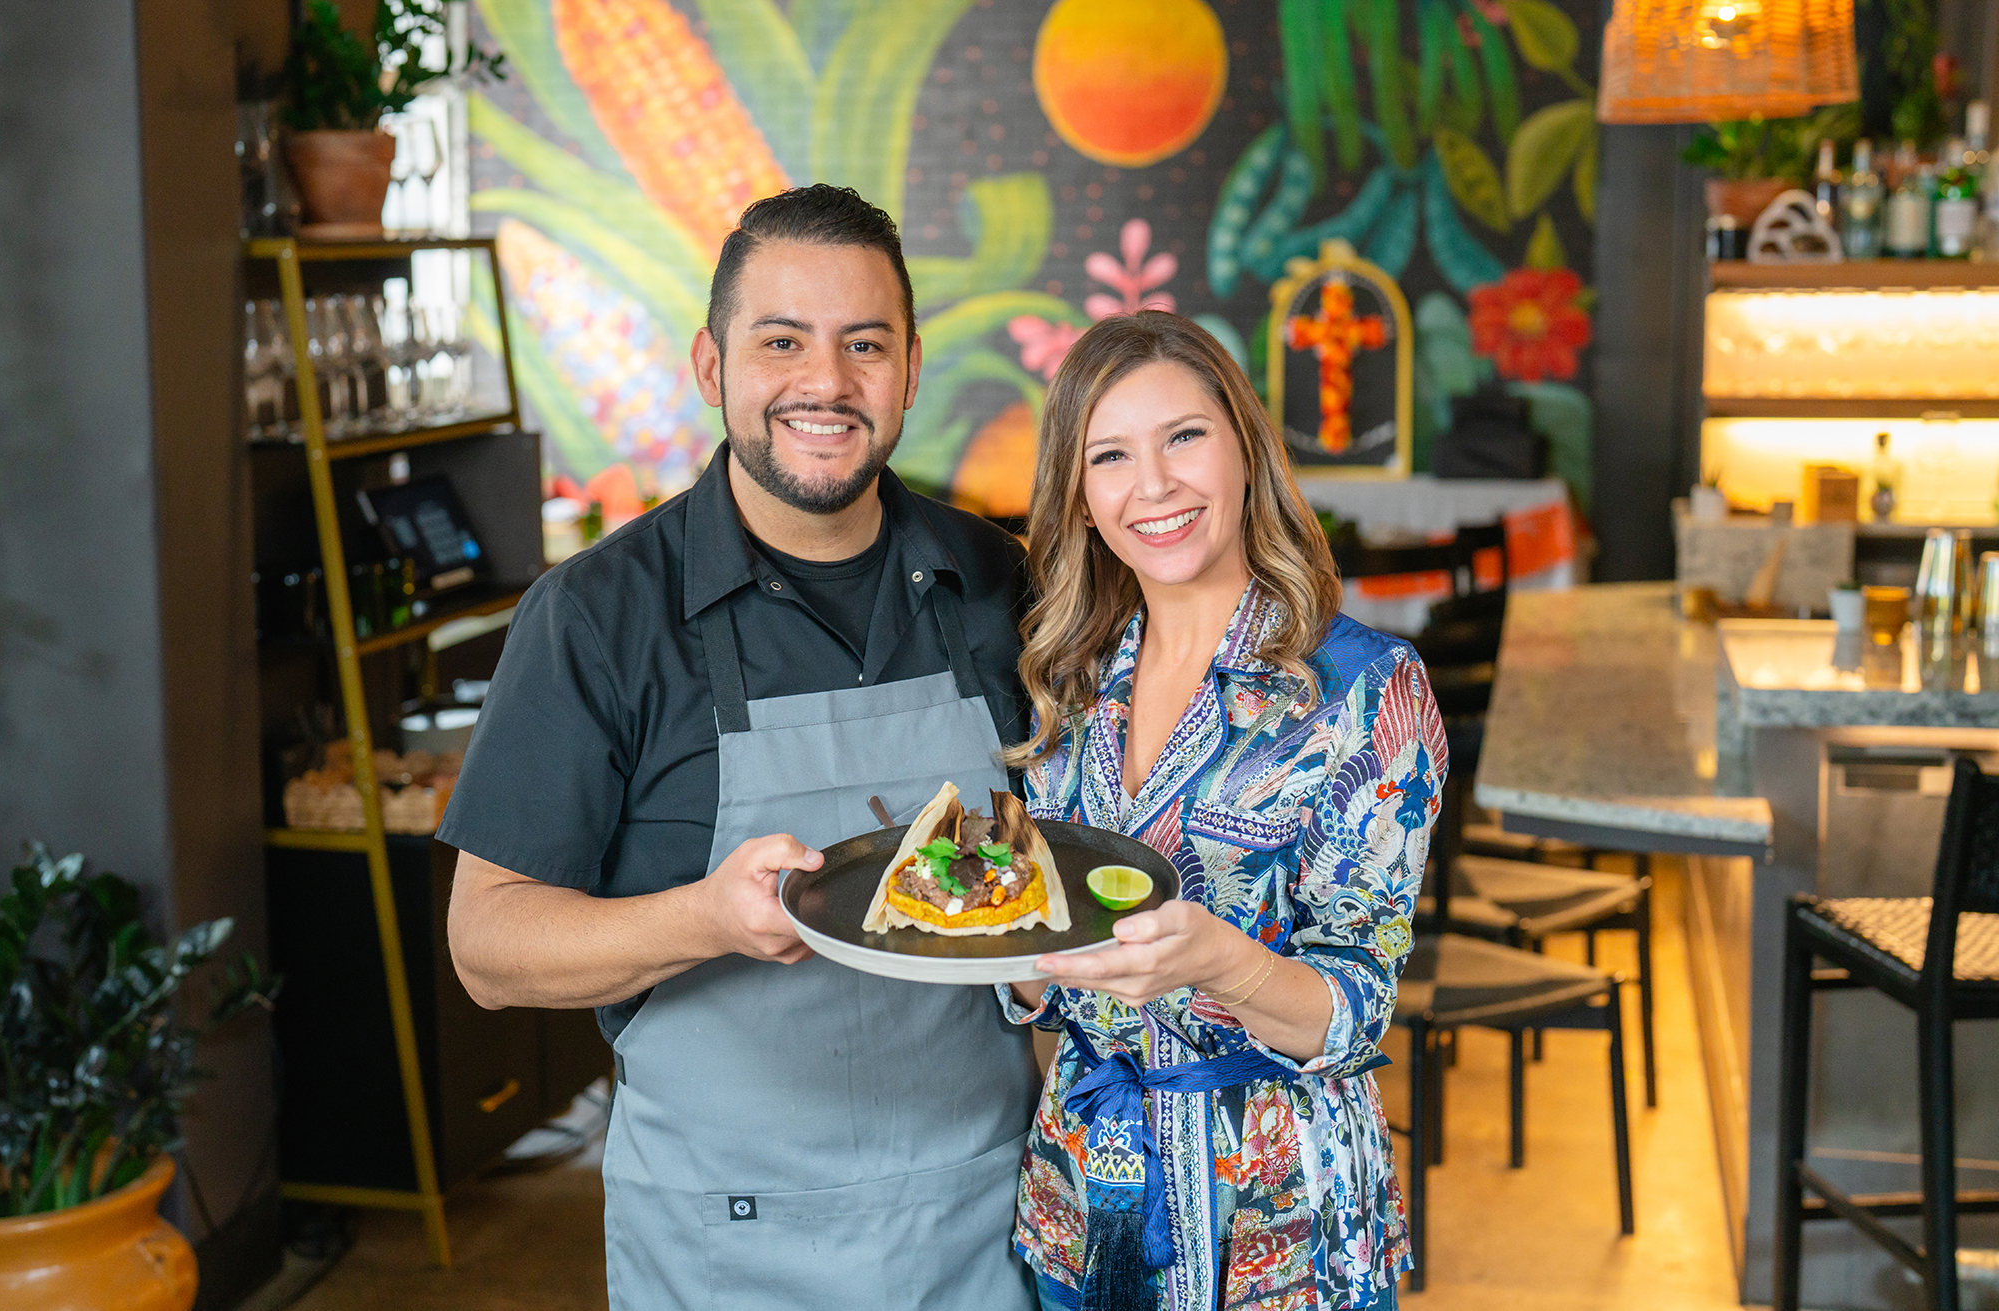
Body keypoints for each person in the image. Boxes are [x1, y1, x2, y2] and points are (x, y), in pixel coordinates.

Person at [441, 185, 1040, 1310]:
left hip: (984, 1222)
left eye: (865, 345)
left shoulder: (1001, 583)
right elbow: (486, 946)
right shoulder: (597, 617)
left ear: (910, 370)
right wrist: (705, 919)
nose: (827, 382)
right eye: (781, 342)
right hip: (723, 1246)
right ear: (711, 366)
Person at [1000, 311, 1444, 1311]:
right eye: (1110, 456)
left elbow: (1357, 1003)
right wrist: (1008, 952)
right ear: (1080, 497)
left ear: (1245, 448)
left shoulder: (1365, 690)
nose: (1153, 485)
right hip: (1080, 1198)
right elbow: (1040, 957)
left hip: (1279, 1232)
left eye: (1184, 437)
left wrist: (1220, 963)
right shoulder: (1065, 679)